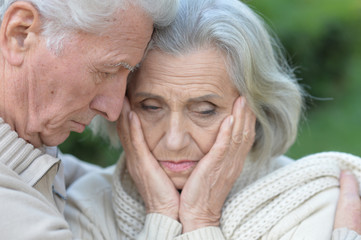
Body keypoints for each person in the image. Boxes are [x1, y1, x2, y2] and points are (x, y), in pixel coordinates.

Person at [64, 0, 361, 239]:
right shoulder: (87, 208)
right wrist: (163, 214)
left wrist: (200, 221)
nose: (175, 140)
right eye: (151, 107)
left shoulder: (315, 205)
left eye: (204, 110)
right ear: (121, 104)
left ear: (257, 109)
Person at [0, 0, 178, 239]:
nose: (114, 111)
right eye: (106, 71)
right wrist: (169, 215)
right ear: (20, 33)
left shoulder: (35, 157)